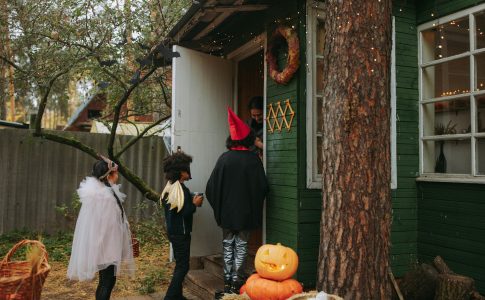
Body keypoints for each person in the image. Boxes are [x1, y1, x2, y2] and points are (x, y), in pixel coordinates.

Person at [206, 107, 269, 294]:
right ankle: (236, 283)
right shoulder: (253, 160)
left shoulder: (224, 159)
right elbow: (263, 187)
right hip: (245, 213)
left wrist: (220, 208)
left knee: (227, 245)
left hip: (226, 213)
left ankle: (226, 283)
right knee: (241, 246)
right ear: (249, 139)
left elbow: (211, 188)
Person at [67, 156, 135, 300]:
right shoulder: (105, 197)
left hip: (101, 245)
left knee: (105, 281)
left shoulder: (99, 193)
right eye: (115, 172)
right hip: (106, 246)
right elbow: (109, 226)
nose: (117, 175)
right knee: (107, 282)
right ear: (108, 175)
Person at [161, 151, 203, 300]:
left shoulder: (170, 187)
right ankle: (170, 297)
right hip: (181, 233)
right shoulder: (181, 190)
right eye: (187, 169)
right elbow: (184, 212)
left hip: (173, 231)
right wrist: (195, 204)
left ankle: (177, 295)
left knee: (180, 263)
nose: (189, 172)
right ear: (181, 172)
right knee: (183, 266)